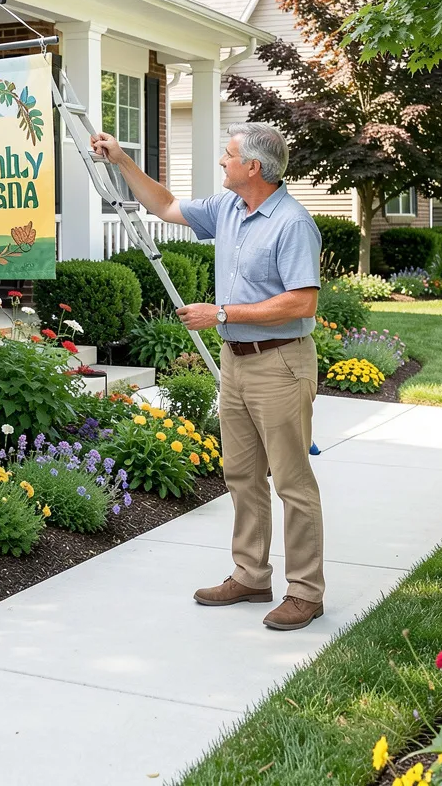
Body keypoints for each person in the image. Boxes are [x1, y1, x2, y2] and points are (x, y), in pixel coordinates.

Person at [90, 121, 325, 631]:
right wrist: (122, 160)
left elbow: (303, 300)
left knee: (291, 481)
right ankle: (251, 575)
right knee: (241, 474)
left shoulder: (292, 223)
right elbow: (165, 207)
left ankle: (306, 592)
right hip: (238, 363)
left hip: (281, 362)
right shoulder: (228, 209)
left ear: (253, 168)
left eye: (228, 155)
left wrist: (222, 313)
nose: (222, 162)